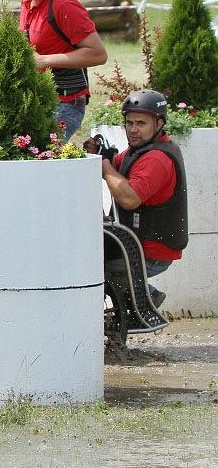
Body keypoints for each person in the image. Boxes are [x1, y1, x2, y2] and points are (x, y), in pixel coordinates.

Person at [85, 90, 188, 307]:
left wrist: (104, 166)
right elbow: (115, 168)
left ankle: (142, 296)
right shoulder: (139, 150)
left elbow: (129, 199)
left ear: (159, 124)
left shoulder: (156, 159)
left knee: (87, 263)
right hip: (136, 241)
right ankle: (138, 295)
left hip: (149, 251)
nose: (133, 129)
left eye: (141, 123)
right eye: (129, 122)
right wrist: (99, 155)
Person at [14, 0, 107, 141]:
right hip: (41, 98)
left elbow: (98, 54)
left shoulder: (63, 4)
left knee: (43, 159)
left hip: (66, 101)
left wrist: (44, 61)